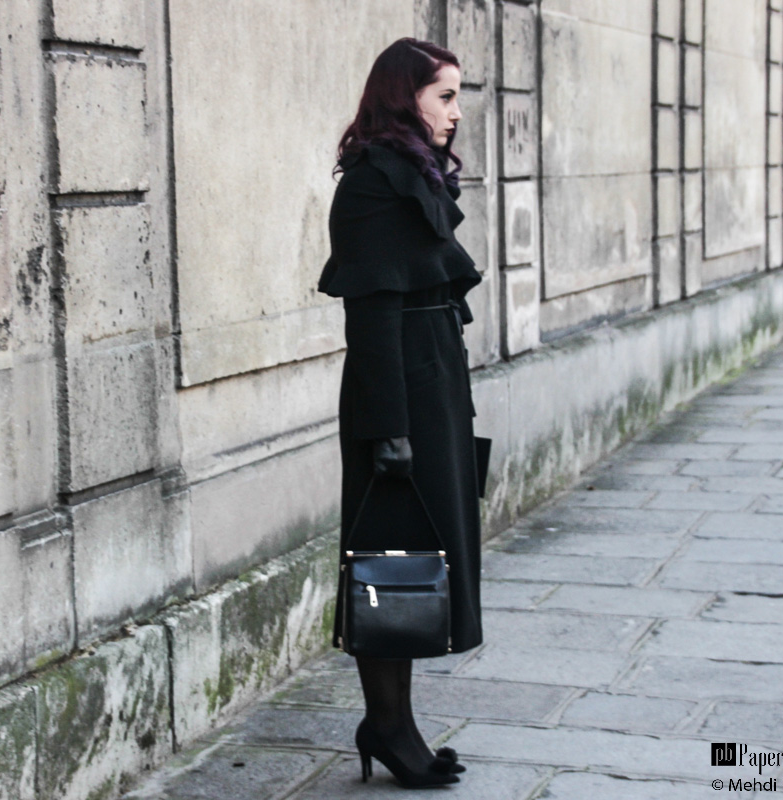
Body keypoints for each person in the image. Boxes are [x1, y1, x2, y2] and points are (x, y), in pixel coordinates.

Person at [317, 38, 484, 788]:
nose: (455, 112)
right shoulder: (372, 184)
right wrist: (388, 431)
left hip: (430, 379)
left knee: (422, 561)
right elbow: (371, 311)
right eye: (444, 95)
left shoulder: (409, 171)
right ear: (403, 94)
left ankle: (396, 722)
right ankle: (386, 725)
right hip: (398, 396)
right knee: (390, 563)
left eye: (457, 96)